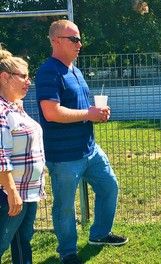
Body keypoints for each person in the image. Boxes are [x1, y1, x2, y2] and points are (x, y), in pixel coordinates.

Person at [35, 19, 128, 264]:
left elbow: (79, 109)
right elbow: (51, 112)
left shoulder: (74, 70)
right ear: (56, 41)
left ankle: (99, 234)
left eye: (79, 39)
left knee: (109, 186)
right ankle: (68, 252)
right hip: (64, 156)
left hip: (89, 149)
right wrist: (89, 114)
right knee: (65, 207)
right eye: (74, 39)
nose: (80, 44)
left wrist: (95, 113)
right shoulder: (48, 71)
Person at [0, 48, 45, 264]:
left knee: (22, 241)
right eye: (24, 76)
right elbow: (1, 156)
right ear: (5, 77)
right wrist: (11, 192)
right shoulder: (2, 111)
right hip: (9, 194)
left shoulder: (15, 107)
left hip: (26, 192)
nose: (29, 82)